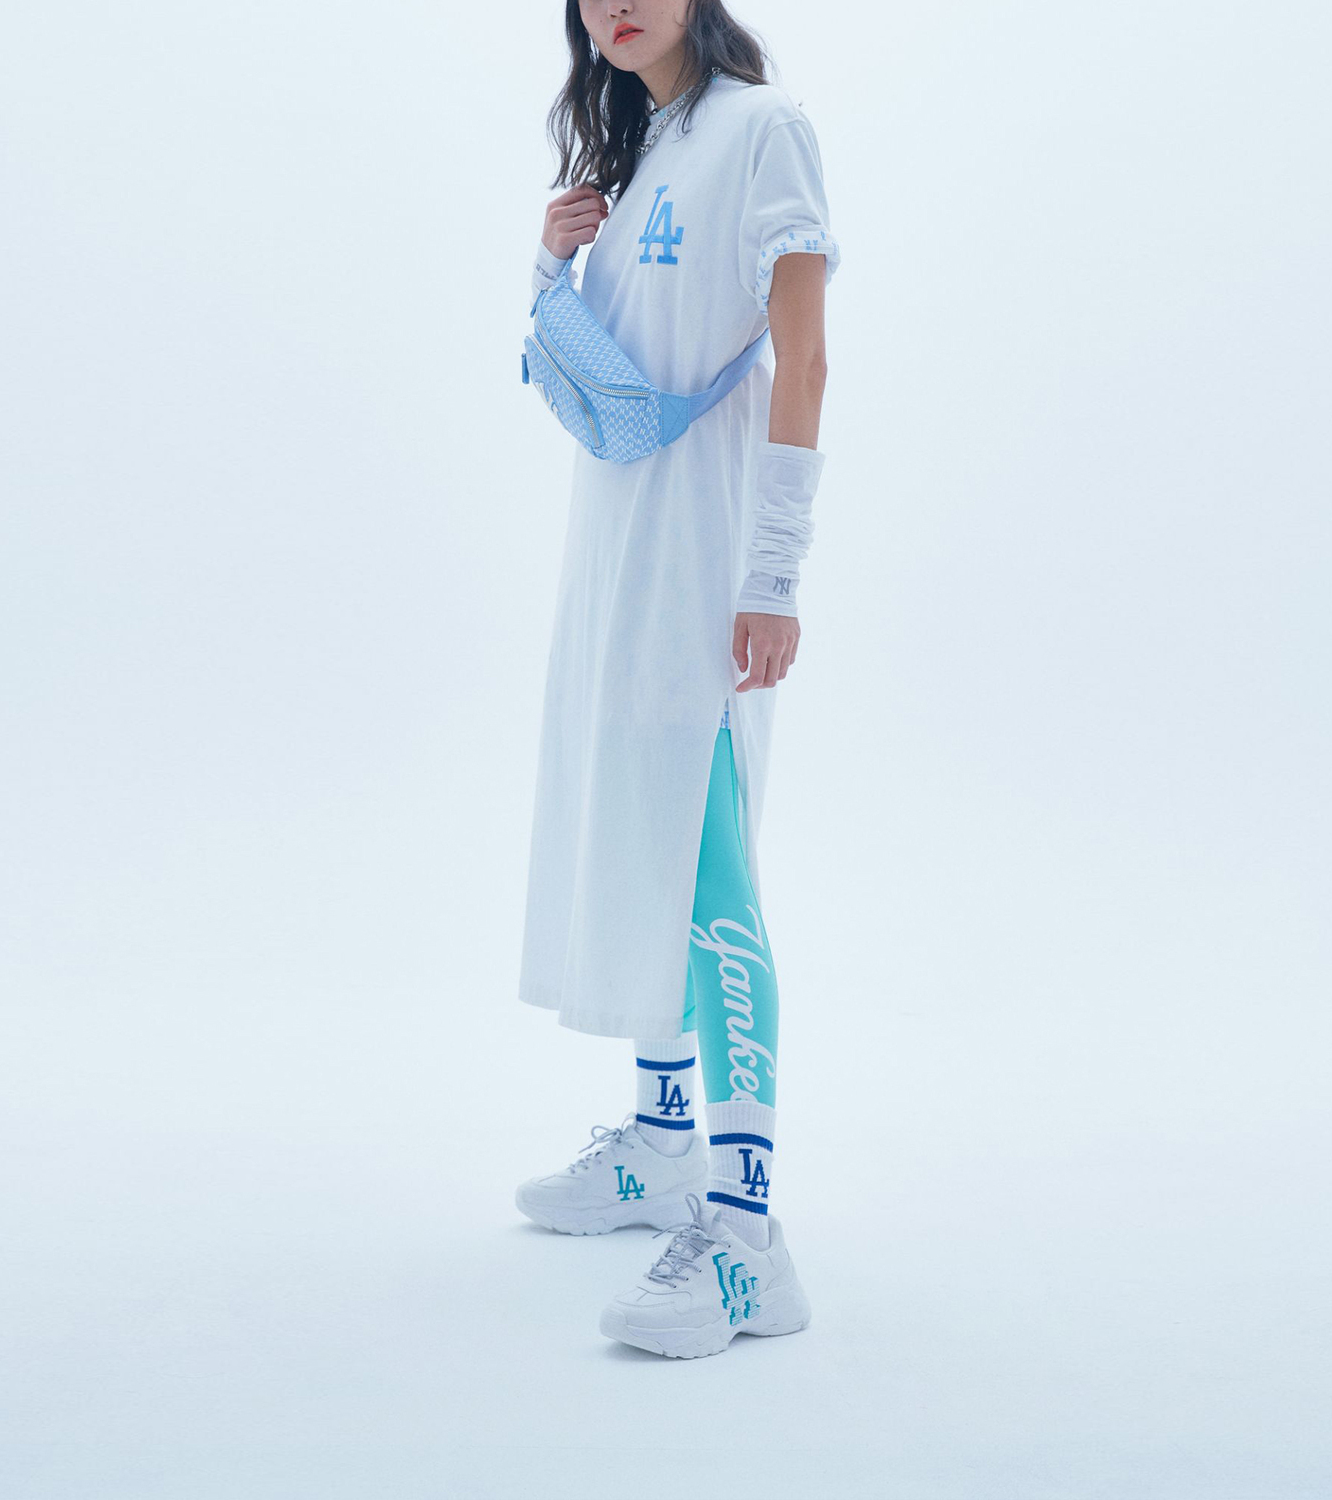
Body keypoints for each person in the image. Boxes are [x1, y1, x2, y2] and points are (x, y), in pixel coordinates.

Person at [514, 0, 838, 1360]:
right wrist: (550, 261)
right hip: (616, 553)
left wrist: (772, 574)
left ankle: (750, 1238)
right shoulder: (638, 145)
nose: (615, 4)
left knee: (709, 870)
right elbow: (606, 381)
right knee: (637, 840)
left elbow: (801, 357)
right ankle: (660, 1145)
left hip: (705, 553)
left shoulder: (765, 129)